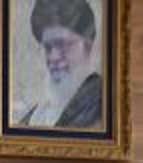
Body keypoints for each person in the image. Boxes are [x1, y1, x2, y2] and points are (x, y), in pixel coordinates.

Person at [18, 0, 104, 129]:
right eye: (48, 47)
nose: (54, 57)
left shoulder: (103, 103)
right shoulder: (38, 114)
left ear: (88, 46)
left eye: (63, 45)